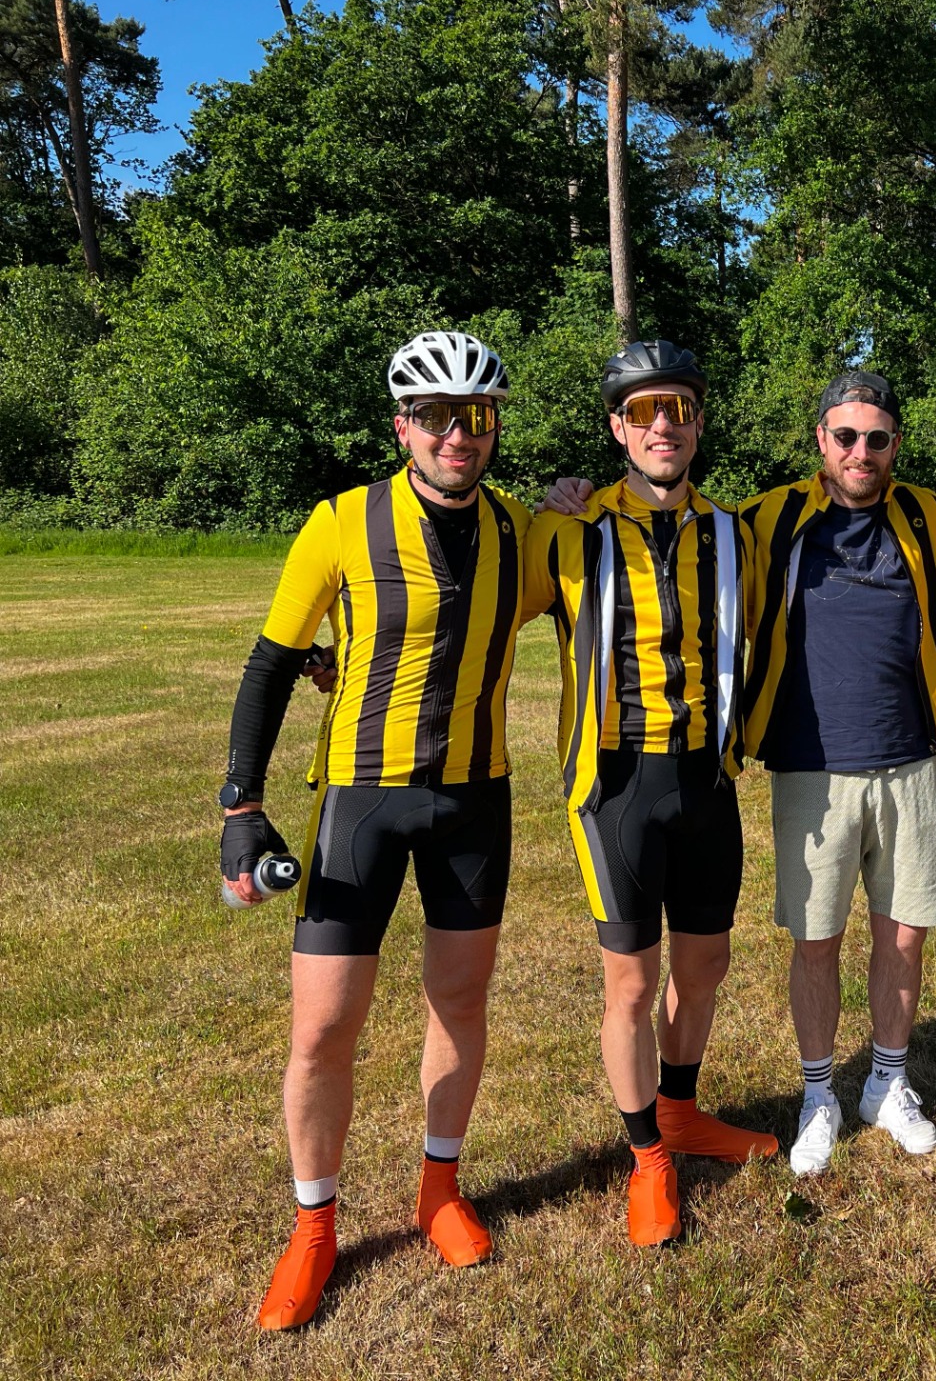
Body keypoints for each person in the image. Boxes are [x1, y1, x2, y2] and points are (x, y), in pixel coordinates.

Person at [221, 331, 530, 1329]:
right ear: (403, 427)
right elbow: (273, 663)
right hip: (361, 800)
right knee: (322, 1029)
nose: (457, 435)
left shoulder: (526, 531)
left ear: (493, 428)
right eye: (436, 417)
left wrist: (581, 496)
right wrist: (240, 807)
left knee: (459, 1002)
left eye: (476, 416)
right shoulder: (341, 522)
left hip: (475, 800)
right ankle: (313, 1226)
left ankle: (439, 1190)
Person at [521, 340, 776, 1249]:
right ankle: (646, 1157)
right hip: (617, 785)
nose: (662, 425)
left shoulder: (734, 533)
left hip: (707, 778)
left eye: (678, 409)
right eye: (642, 412)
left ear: (699, 424)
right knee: (631, 983)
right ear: (617, 429)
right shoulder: (568, 530)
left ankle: (680, 1110)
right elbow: (473, 605)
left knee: (704, 970)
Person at [739, 372, 936, 1176]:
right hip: (811, 769)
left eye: (878, 438)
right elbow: (682, 541)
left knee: (905, 934)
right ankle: (818, 1094)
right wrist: (579, 500)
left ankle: (886, 1084)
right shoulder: (769, 518)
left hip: (911, 760)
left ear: (895, 444)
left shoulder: (924, 515)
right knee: (816, 941)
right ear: (820, 439)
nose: (862, 451)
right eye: (846, 436)